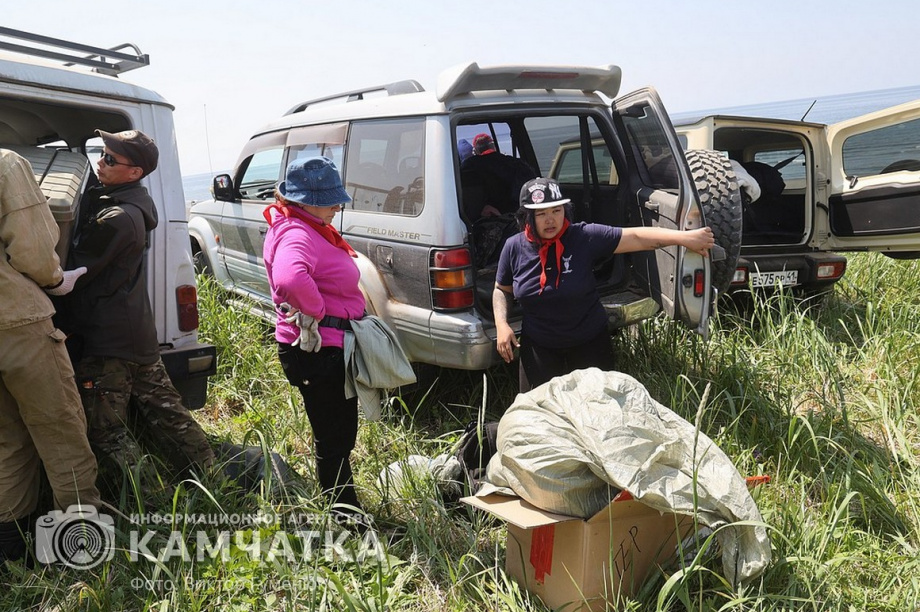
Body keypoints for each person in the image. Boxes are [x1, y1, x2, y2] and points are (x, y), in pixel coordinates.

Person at [63, 129, 215, 490]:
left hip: (107, 339)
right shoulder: (131, 202)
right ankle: (212, 477)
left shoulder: (117, 217)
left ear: (135, 172)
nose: (100, 162)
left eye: (110, 160)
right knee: (168, 414)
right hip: (134, 332)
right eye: (101, 154)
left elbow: (75, 273)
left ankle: (151, 495)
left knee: (105, 430)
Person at [493, 177, 715, 392]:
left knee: (597, 410)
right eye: (541, 214)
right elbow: (501, 290)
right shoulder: (513, 247)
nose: (550, 220)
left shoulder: (583, 236)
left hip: (588, 342)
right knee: (538, 414)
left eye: (556, 211)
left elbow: (637, 236)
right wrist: (502, 324)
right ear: (527, 217)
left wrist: (686, 237)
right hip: (540, 346)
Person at [0, 149, 101, 563]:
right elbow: (34, 250)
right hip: (15, 321)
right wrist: (57, 278)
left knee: (6, 439)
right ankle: (81, 552)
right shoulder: (6, 163)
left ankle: (12, 554)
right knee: (60, 430)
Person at [262, 156, 366, 517]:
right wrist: (319, 311)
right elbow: (289, 278)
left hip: (322, 349)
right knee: (334, 436)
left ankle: (341, 503)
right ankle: (345, 515)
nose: (338, 205)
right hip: (319, 350)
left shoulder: (301, 224)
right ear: (303, 200)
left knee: (335, 432)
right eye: (330, 199)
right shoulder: (297, 232)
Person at [460, 133, 537, 220]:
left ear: (475, 151)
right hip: (520, 217)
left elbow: (469, 199)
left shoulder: (468, 168)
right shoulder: (516, 164)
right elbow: (531, 186)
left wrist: (481, 208)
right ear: (493, 146)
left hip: (485, 222)